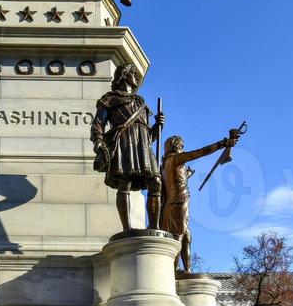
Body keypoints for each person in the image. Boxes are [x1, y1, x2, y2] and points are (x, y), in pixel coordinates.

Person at [91, 65, 165, 231]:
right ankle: (127, 229)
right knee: (125, 182)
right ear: (124, 76)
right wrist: (98, 140)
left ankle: (154, 226)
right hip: (124, 141)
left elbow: (148, 137)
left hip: (143, 146)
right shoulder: (110, 98)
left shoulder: (141, 103)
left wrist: (157, 128)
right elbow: (98, 123)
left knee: (156, 181)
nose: (136, 77)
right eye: (133, 74)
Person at [160, 130, 240, 273]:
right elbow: (200, 152)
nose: (182, 149)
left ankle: (187, 270)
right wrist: (222, 144)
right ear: (177, 146)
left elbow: (174, 181)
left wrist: (188, 174)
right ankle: (172, 272)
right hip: (179, 202)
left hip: (170, 204)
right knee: (179, 236)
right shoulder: (176, 158)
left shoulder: (165, 164)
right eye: (181, 146)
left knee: (187, 237)